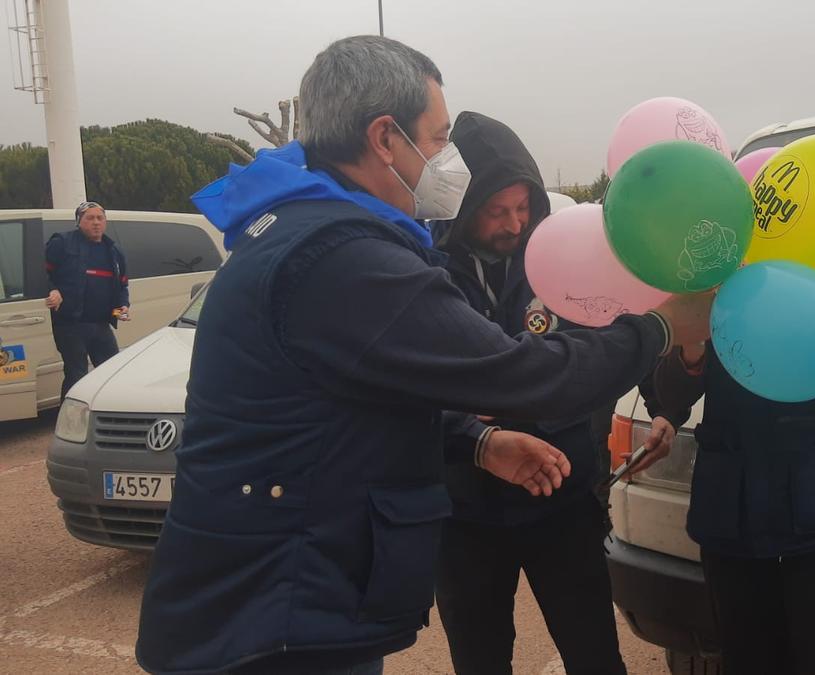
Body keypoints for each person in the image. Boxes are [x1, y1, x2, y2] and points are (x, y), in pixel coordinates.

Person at [135, 36, 712, 675]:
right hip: (280, 613)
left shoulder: (300, 230)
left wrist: (478, 444)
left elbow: (357, 405)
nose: (447, 161)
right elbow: (524, 376)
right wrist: (661, 327)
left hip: (273, 594)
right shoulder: (344, 258)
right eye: (437, 140)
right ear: (386, 138)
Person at [432, 112, 689, 675]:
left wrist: (663, 406)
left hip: (562, 496)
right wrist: (479, 437)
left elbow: (612, 327)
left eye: (523, 208)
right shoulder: (427, 270)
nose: (513, 223)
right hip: (464, 511)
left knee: (593, 650)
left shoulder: (561, 256)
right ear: (464, 208)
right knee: (478, 658)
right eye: (497, 211)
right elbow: (418, 385)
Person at [652, 258, 815, 675]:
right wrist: (691, 344)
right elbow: (671, 394)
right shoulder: (722, 277)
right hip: (736, 519)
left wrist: (785, 327)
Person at [44, 201, 130, 400]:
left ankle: (110, 416)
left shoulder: (114, 251)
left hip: (101, 324)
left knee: (112, 372)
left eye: (100, 218)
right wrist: (53, 290)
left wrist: (123, 307)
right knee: (77, 376)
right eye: (90, 218)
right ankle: (70, 421)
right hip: (70, 325)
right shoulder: (61, 243)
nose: (96, 223)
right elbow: (41, 274)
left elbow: (122, 285)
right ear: (79, 221)